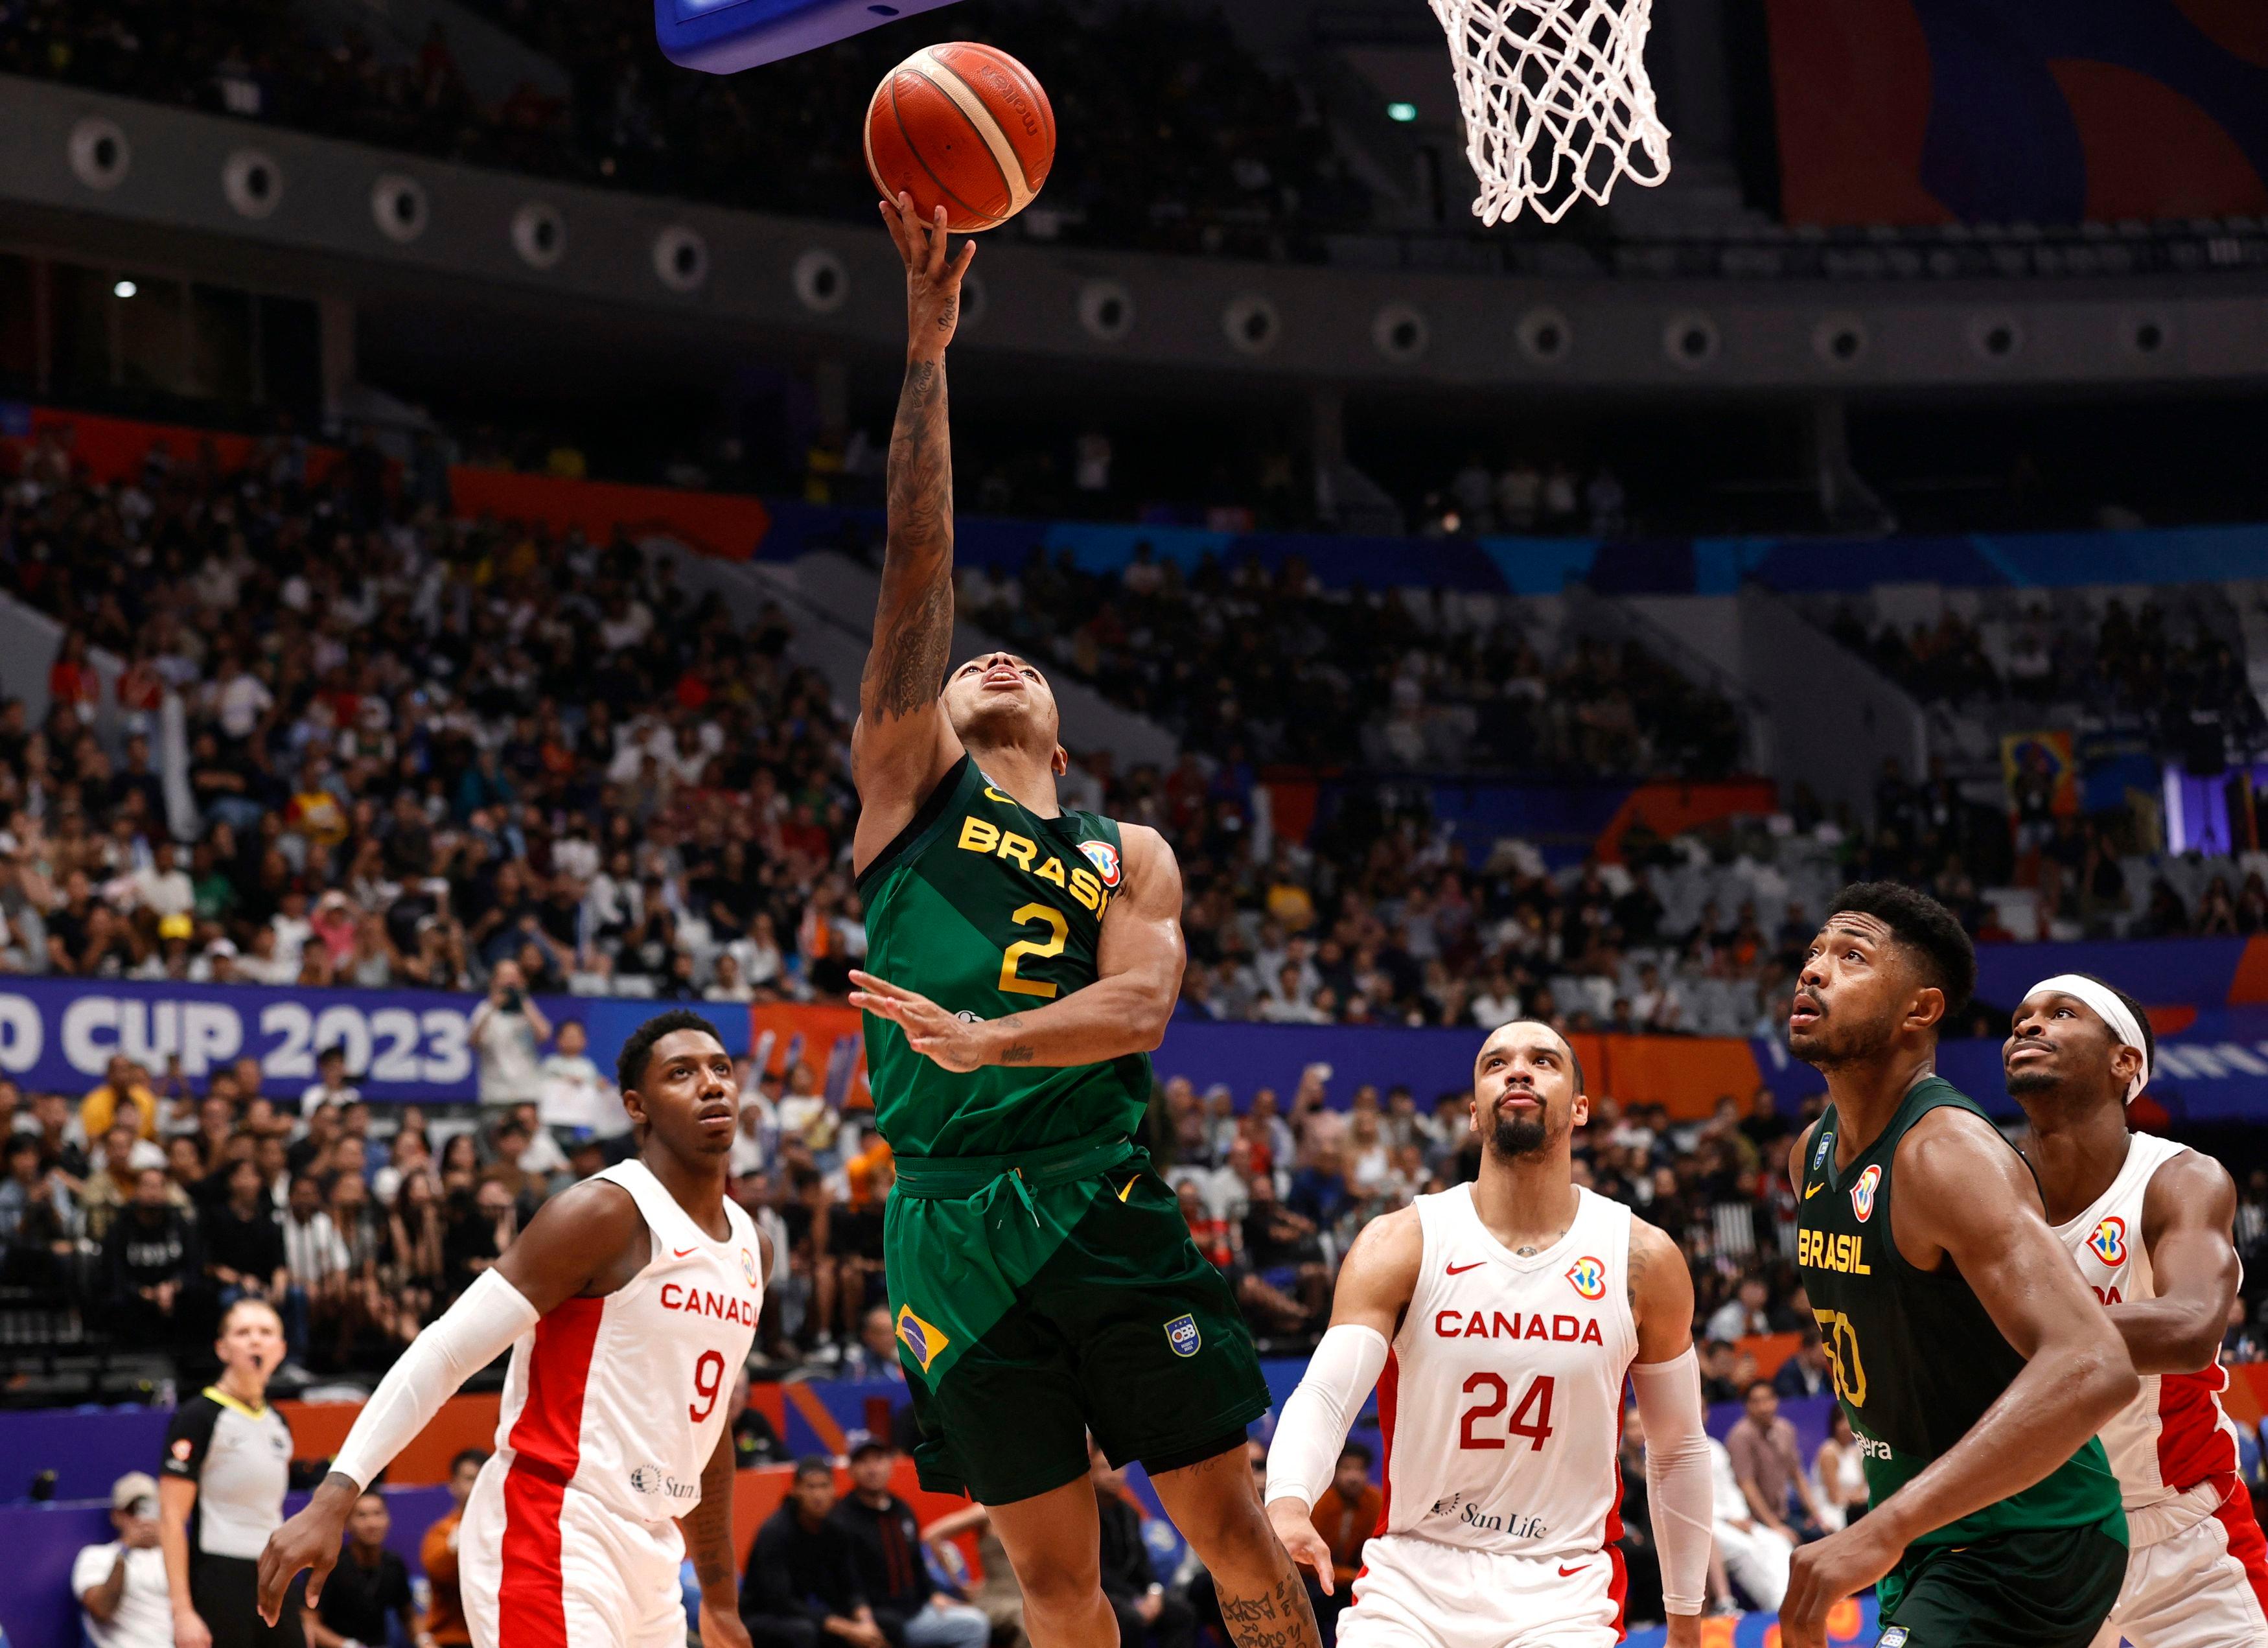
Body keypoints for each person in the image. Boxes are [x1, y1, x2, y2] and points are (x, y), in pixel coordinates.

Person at [840, 192, 1304, 1648]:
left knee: (1228, 1530)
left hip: (1095, 1195)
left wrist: (985, 1041)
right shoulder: (909, 788)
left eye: (1021, 664)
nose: (992, 657)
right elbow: (919, 563)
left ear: (1053, 720)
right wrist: (927, 352)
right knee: (1051, 1579)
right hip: (941, 1221)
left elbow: (1138, 1011)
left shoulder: (1129, 849)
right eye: (977, 656)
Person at [257, 1010, 769, 1648]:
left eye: (720, 1068)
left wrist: (719, 1599)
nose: (711, 1083)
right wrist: (337, 1491)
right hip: (552, 1525)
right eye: (682, 1072)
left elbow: (706, 1427)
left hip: (654, 1550)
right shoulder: (602, 1211)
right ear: (636, 1105)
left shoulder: (752, 1245)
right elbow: (445, 1348)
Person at [1263, 1020, 1715, 1648]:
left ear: (1580, 1107)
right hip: (1412, 1577)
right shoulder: (1401, 1242)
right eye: (1495, 1062)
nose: (1518, 1070)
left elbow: (1677, 1449)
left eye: (1543, 1060)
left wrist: (1685, 1623)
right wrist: (1287, 1499)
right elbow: (1326, 1396)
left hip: (1564, 1587)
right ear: (1474, 1111)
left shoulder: (1641, 1257)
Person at [1782, 883, 2136, 1647]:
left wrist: (1884, 1525)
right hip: (1936, 1537)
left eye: (1850, 957)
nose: (1812, 970)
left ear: (1919, 1009)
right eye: (1813, 952)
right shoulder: (1808, 1156)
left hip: (2029, 1535)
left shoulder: (1944, 1153)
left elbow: (2094, 1361)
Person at [2003, 973, 2268, 1643]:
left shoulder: (2179, 1177)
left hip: (2180, 1530)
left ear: (2125, 1061)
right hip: (2035, 1538)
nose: (2027, 1025)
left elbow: (2186, 1327)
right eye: (2020, 1018)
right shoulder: (1983, 1185)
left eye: (2059, 1012)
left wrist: (2008, 1331)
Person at [161, 1299, 300, 1648]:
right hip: (218, 1575)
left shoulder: (278, 1423)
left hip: (274, 1576)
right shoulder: (199, 1416)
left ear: (281, 1350)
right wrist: (182, 1612)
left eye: (266, 1333)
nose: (256, 1341)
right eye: (243, 1333)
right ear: (222, 1349)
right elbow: (170, 1517)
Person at [831, 1439, 990, 1647]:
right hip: (871, 1616)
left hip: (914, 1612)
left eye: (878, 1460)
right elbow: (844, 1578)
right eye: (863, 1462)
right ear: (850, 1470)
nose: (872, 1469)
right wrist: (862, 1618)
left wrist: (934, 1594)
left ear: (890, 1464)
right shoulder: (841, 1519)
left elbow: (917, 1563)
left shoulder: (901, 1511)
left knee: (975, 1624)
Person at [741, 1457, 885, 1648]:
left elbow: (852, 1586)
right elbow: (781, 1602)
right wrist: (846, 1628)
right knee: (805, 1632)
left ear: (834, 1489)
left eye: (824, 1486)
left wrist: (867, 1623)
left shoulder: (838, 1529)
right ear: (795, 1490)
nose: (818, 1495)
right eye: (810, 1487)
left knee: (886, 1625)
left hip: (813, 1611)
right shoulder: (775, 1532)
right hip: (764, 1615)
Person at [1091, 1441, 1196, 1648]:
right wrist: (1135, 1600)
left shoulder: (1129, 1513)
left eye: (1118, 1468)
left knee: (1183, 1614)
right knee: (1129, 1620)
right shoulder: (1085, 1517)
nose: (1114, 1475)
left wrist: (1154, 1592)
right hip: (1106, 1598)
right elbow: (1098, 1573)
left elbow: (1143, 1562)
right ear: (1091, 1472)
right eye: (1104, 1468)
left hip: (1138, 1595)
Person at [303, 1492, 415, 1648]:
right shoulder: (328, 1566)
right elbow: (308, 1623)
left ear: (388, 1519)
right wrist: (348, 1645)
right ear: (347, 1523)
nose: (372, 1523)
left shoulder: (394, 1564)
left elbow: (409, 1616)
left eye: (378, 1513)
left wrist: (425, 1639)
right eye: (362, 1516)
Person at [76, 1471, 173, 1648]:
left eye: (149, 1508)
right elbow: (102, 1609)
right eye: (132, 1510)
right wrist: (126, 1550)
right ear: (116, 1516)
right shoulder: (96, 1556)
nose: (140, 1519)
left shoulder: (177, 1558)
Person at [1725, 1382, 1823, 1543]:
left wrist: (1817, 1515)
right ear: (1747, 1406)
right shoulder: (1740, 1437)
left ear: (1776, 1401)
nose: (1764, 1407)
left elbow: (1797, 1474)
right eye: (1756, 1402)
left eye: (1768, 1400)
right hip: (1755, 1519)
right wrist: (1775, 1526)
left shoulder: (1785, 1429)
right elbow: (1746, 1485)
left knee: (1822, 1534)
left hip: (1786, 1512)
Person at [1306, 1445, 1380, 1640]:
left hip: (1353, 1578)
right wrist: (1346, 1576)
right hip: (1314, 1578)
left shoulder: (1375, 1501)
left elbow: (1376, 1548)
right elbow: (1302, 1561)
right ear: (1335, 1472)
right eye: (1347, 1469)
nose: (1353, 1476)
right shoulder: (1319, 1502)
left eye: (1359, 1469)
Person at [1709, 1435, 1792, 1609]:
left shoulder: (1715, 1447)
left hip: (1736, 1518)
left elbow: (1730, 1487)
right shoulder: (1667, 1447)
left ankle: (1794, 1600)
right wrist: (1726, 1518)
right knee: (1747, 1549)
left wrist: (1739, 1516)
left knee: (1777, 1542)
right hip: (1708, 1523)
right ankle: (1778, 1606)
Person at [421, 1450, 488, 1648]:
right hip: (451, 1641)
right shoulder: (441, 1532)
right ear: (453, 1485)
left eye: (482, 1478)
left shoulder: (505, 1530)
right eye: (469, 1478)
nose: (477, 1486)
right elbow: (437, 1568)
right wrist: (461, 1538)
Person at [469, 961, 551, 1108]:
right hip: (496, 1092)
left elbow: (544, 1034)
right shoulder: (484, 1009)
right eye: (505, 976)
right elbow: (473, 1043)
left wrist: (522, 1000)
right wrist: (494, 1007)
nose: (510, 980)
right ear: (494, 981)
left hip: (528, 1091)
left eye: (514, 976)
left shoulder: (528, 1008)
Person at [1811, 1409, 1868, 1535]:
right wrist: (1854, 1499)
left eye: (1850, 1421)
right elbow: (1834, 1497)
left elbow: (1863, 1486)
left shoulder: (1855, 1451)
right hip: (1834, 1510)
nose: (1847, 1426)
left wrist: (1859, 1497)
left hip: (1855, 1506)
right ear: (1834, 1424)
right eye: (1843, 1421)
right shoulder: (1829, 1452)